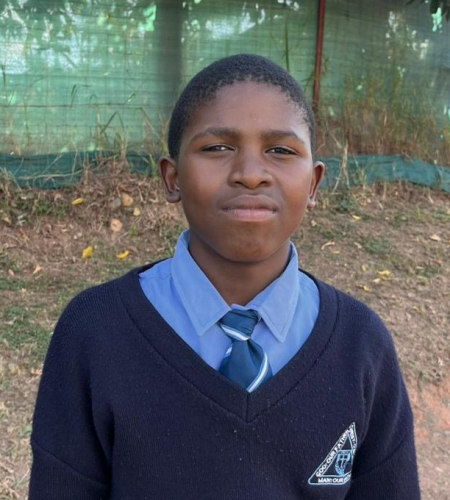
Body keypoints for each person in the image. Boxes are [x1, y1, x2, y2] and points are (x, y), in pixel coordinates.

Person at [29, 54, 420, 499]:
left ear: (313, 184)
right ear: (172, 178)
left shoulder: (361, 343)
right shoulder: (94, 331)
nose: (251, 175)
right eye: (217, 148)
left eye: (281, 150)